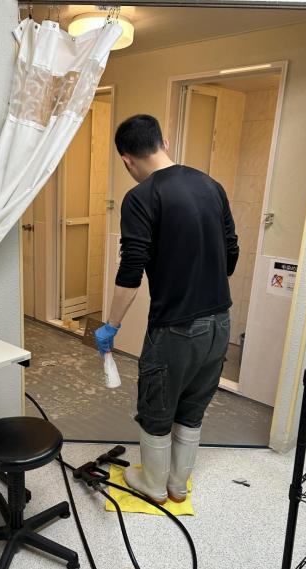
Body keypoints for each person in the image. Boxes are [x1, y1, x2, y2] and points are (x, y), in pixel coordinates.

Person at [95, 114, 239, 504]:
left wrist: (111, 325)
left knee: (156, 409)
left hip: (176, 328)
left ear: (126, 160)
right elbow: (231, 253)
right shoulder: (211, 186)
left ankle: (154, 485)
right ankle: (177, 485)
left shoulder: (141, 197)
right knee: (192, 407)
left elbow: (131, 270)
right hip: (219, 322)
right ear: (165, 143)